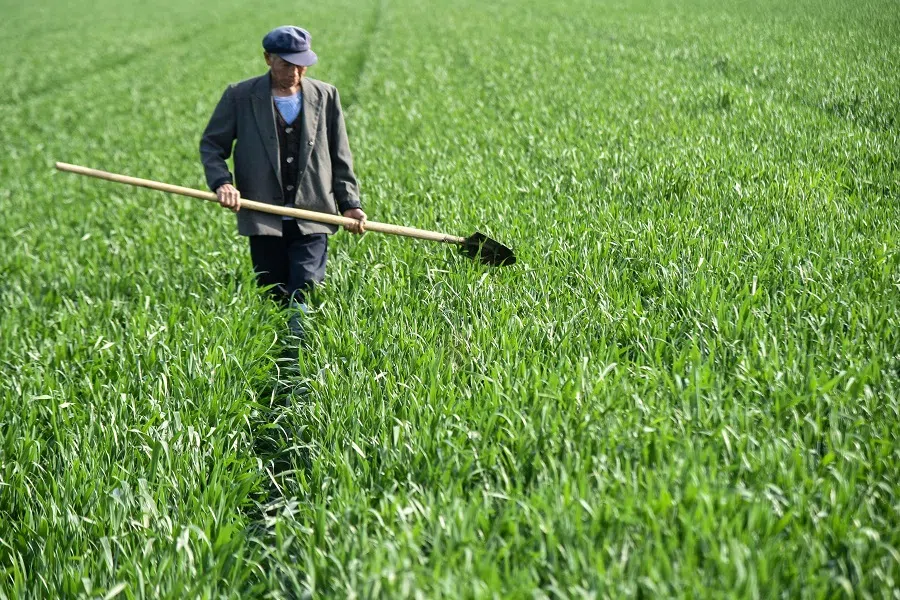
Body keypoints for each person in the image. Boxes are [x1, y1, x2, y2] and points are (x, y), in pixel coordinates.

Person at [199, 25, 366, 341]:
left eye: (301, 63)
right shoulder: (240, 96)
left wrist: (350, 205)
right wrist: (223, 183)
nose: (296, 71)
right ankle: (271, 354)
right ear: (267, 59)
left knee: (305, 285)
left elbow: (340, 156)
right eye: (287, 63)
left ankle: (299, 352)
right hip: (263, 214)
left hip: (314, 213)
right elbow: (212, 145)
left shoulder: (326, 96)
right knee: (272, 290)